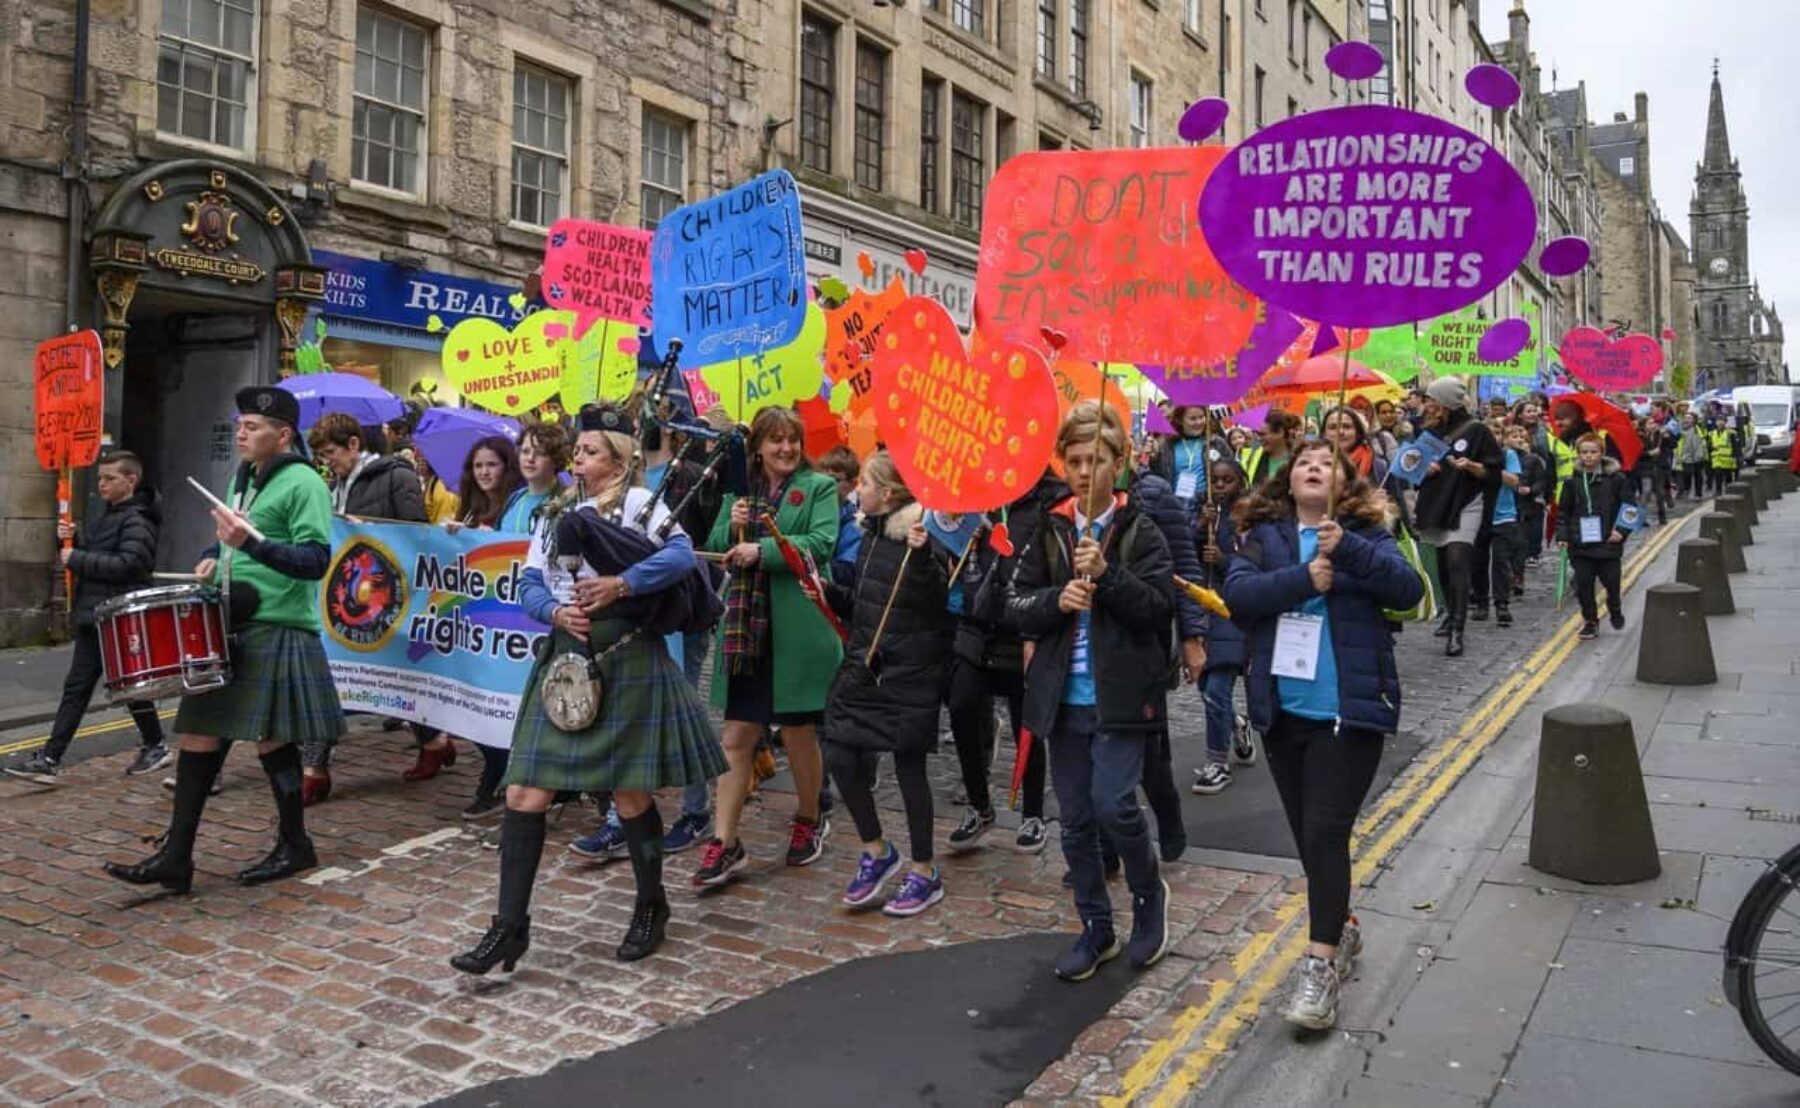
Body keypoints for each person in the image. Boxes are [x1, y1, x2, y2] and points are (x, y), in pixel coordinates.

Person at [451, 404, 726, 973]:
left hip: (627, 654)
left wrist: (622, 583)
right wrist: (554, 612)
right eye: (577, 450)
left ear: (620, 462)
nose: (578, 457)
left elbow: (680, 556)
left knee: (630, 796)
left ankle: (652, 905)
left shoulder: (637, 508)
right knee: (523, 793)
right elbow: (529, 582)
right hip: (565, 657)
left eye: (591, 450)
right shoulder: (555, 512)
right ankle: (509, 927)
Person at [103, 386, 339, 893]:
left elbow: (315, 562)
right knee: (198, 733)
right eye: (240, 425)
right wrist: (216, 552)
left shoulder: (305, 484)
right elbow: (239, 535)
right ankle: (176, 858)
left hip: (278, 623)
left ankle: (295, 844)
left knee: (273, 740)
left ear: (284, 435)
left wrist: (246, 542)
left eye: (252, 427)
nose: (241, 433)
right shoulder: (245, 478)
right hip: (231, 621)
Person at [1225, 441, 1422, 1029]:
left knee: (1325, 831)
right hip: (1284, 712)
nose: (1315, 468)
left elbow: (1406, 591)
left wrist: (1352, 551)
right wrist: (1304, 578)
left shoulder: (1366, 532)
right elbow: (1238, 597)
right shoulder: (1264, 538)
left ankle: (1319, 966)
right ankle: (1344, 924)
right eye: (1305, 461)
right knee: (1310, 843)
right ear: (1288, 481)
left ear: (1345, 482)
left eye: (1328, 463)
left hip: (1349, 712)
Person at [1006, 401, 1176, 982]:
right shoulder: (1050, 529)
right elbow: (1016, 603)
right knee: (1075, 819)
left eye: (1095, 460)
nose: (1083, 472)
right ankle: (1095, 925)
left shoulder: (1139, 530)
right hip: (1062, 698)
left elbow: (1158, 609)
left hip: (1122, 697)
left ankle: (1150, 894)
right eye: (1074, 460)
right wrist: (1057, 601)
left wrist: (1107, 576)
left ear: (1119, 464)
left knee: (1114, 804)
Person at [693, 407, 842, 887]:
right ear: (757, 445)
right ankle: (725, 840)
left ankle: (808, 817)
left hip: (796, 632)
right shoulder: (740, 492)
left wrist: (766, 550)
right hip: (746, 630)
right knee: (736, 736)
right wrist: (731, 526)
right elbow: (717, 549)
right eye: (775, 440)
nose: (786, 448)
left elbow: (821, 542)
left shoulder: (817, 488)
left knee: (798, 733)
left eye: (792, 440)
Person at [822, 453, 951, 916]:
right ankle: (877, 850)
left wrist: (921, 556)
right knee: (837, 747)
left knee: (909, 768)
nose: (858, 489)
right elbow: (865, 603)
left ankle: (924, 870)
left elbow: (940, 598)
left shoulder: (922, 537)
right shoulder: (869, 536)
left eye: (865, 482)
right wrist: (829, 593)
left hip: (911, 671)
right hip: (867, 665)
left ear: (890, 494)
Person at [7, 452, 169, 784]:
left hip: (119, 616)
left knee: (128, 687)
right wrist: (72, 539)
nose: (101, 484)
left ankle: (155, 744)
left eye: (110, 478)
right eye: (99, 478)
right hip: (97, 614)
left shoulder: (138, 519)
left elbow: (130, 565)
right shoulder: (111, 514)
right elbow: (102, 553)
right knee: (80, 688)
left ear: (131, 481)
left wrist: (77, 557)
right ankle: (51, 758)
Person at [306, 413, 430, 802]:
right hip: (344, 595)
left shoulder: (397, 476)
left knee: (396, 679)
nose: (328, 462)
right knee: (335, 677)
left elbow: (416, 532)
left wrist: (369, 528)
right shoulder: (333, 485)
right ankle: (315, 765)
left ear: (354, 445)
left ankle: (434, 740)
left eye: (331, 453)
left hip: (385, 595)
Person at [945, 476, 1055, 855]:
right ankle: (980, 804)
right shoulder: (979, 493)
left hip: (1022, 627)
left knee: (1029, 724)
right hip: (976, 623)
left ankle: (1033, 812)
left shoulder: (1049, 502)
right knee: (960, 706)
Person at [446, 435, 526, 821]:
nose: (484, 473)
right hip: (474, 626)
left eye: (491, 465)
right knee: (473, 706)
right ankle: (497, 769)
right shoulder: (470, 509)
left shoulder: (517, 508)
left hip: (509, 625)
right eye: (478, 466)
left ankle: (502, 775)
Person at [1413, 378, 1502, 658]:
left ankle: (1458, 631)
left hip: (1466, 503)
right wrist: (1422, 469)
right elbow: (1412, 467)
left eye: (1431, 400)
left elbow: (1494, 473)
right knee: (1442, 565)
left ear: (1445, 403)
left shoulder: (1478, 431)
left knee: (1458, 561)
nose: (1426, 405)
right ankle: (1451, 613)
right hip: (1437, 505)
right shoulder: (1427, 431)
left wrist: (1472, 466)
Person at [1191, 457, 1255, 796]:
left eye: (1227, 481)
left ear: (1239, 482)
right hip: (1202, 608)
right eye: (1215, 481)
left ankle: (1217, 762)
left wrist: (1226, 560)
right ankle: (1236, 723)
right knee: (1205, 689)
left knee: (1217, 690)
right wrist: (1200, 528)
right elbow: (1185, 552)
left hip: (1231, 612)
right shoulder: (1204, 514)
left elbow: (1255, 565)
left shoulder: (1249, 518)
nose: (1220, 487)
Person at [1557, 433, 1636, 640]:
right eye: (1584, 452)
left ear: (1601, 453)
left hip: (1608, 542)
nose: (1589, 456)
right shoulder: (1572, 482)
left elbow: (1630, 508)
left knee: (1612, 583)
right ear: (1579, 454)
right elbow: (1563, 512)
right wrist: (1563, 535)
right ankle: (1590, 621)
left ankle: (1615, 606)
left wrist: (1621, 531)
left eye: (1593, 452)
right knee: (1584, 585)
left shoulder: (1617, 479)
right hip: (1580, 543)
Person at [1469, 424, 1524, 627]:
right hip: (1479, 515)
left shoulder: (1507, 455)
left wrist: (1492, 470)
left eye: (1498, 433)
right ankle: (1482, 603)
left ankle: (1502, 605)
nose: (1494, 438)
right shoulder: (1473, 455)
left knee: (1501, 562)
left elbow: (1514, 481)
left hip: (1504, 516)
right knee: (1478, 562)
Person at [1505, 424, 1550, 598]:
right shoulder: (1502, 458)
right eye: (1514, 437)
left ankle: (1518, 576)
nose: (1519, 440)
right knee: (1505, 546)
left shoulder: (1532, 459)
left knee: (1520, 544)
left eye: (1522, 438)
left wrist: (1531, 490)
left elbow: (1541, 481)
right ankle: (1507, 575)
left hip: (1524, 507)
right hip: (1505, 506)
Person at [816, 446, 864, 593]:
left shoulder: (853, 523)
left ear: (853, 484)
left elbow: (847, 572)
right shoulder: (813, 509)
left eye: (834, 480)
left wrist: (812, 564)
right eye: (822, 478)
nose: (825, 485)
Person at [1240, 410, 1300, 489]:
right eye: (1258, 434)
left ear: (1280, 432)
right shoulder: (1250, 457)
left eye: (1263, 434)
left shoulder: (1300, 458)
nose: (1259, 439)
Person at [1676, 412, 1710, 498]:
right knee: (1686, 475)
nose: (1687, 420)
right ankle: (1686, 491)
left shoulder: (1697, 430)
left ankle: (1698, 493)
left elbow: (1699, 444)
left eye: (1689, 418)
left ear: (1694, 420)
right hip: (1684, 457)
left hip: (1696, 457)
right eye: (1686, 418)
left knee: (1698, 476)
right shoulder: (1681, 429)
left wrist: (1699, 456)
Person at [1707, 416, 1740, 495]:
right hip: (1716, 458)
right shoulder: (1711, 433)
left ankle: (1729, 490)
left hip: (1727, 458)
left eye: (1722, 420)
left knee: (1728, 476)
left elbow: (1735, 445)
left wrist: (1736, 456)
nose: (1720, 422)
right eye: (1718, 421)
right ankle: (1718, 491)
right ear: (1715, 422)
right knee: (1718, 475)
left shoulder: (1731, 433)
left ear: (1725, 422)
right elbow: (1709, 445)